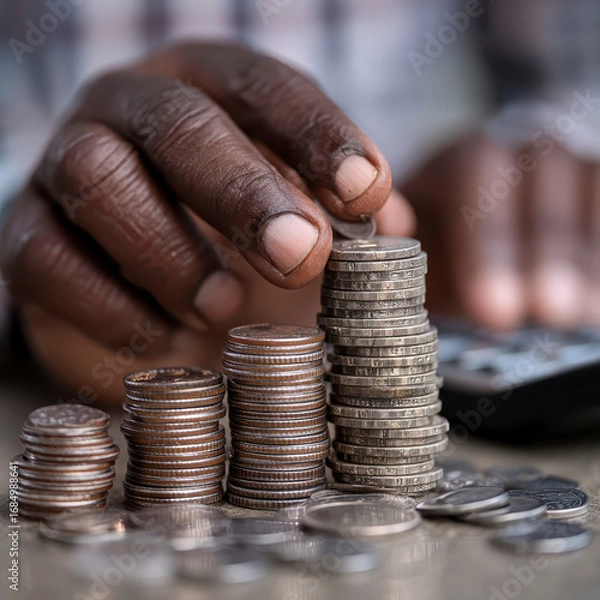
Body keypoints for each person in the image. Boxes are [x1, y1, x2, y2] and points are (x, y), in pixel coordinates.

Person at [1, 0, 599, 404]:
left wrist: (553, 144)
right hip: (66, 336)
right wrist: (25, 233)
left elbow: (577, 68)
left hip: (440, 267)